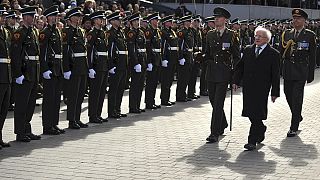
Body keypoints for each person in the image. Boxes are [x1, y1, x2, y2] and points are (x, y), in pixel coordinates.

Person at [233, 26, 280, 151]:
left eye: (260, 36)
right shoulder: (248, 50)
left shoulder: (273, 54)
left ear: (267, 39)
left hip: (262, 88)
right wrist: (235, 81)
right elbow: (240, 67)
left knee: (257, 112)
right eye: (256, 36)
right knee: (249, 112)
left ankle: (251, 141)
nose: (257, 38)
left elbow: (275, 75)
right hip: (248, 87)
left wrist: (275, 92)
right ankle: (261, 128)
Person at [205, 7, 240, 143]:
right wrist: (202, 58)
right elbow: (207, 53)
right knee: (214, 101)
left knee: (218, 103)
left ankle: (214, 132)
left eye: (219, 17)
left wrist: (235, 75)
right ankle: (223, 123)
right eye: (215, 17)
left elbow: (237, 57)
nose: (216, 19)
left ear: (225, 20)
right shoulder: (209, 35)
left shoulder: (232, 35)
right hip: (211, 72)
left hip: (224, 73)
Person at [279, 8, 316, 137]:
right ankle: (297, 115)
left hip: (301, 71)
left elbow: (312, 56)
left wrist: (310, 75)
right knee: (288, 95)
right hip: (288, 70)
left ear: (304, 21)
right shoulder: (286, 34)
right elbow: (280, 53)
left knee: (297, 98)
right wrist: (278, 70)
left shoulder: (309, 35)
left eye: (298, 18)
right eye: (294, 18)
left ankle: (293, 127)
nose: (295, 20)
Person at [11, 6, 41, 142]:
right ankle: (20, 132)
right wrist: (18, 74)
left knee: (30, 104)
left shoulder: (34, 31)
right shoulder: (19, 33)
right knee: (22, 104)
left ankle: (27, 129)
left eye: (35, 16)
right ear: (25, 17)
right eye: (31, 16)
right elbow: (16, 55)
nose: (34, 18)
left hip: (33, 71)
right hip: (24, 72)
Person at [40, 5, 65, 135]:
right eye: (54, 16)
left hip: (57, 68)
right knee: (49, 99)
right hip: (50, 69)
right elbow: (43, 52)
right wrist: (45, 69)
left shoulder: (56, 31)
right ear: (49, 17)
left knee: (56, 99)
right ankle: (47, 126)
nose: (56, 18)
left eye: (57, 16)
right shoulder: (45, 32)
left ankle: (54, 124)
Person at [62, 7, 89, 129]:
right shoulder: (66, 32)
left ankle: (77, 118)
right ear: (71, 18)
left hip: (82, 66)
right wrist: (66, 69)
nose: (79, 19)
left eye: (79, 17)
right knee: (73, 95)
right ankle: (71, 120)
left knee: (80, 95)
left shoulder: (81, 31)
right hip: (74, 67)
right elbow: (65, 51)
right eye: (77, 16)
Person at [87, 10, 109, 123]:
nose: (102, 20)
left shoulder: (103, 33)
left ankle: (98, 114)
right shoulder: (92, 34)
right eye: (101, 19)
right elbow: (89, 51)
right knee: (95, 92)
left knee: (101, 92)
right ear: (95, 21)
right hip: (96, 66)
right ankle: (92, 115)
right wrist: (90, 67)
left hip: (104, 66)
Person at [107, 11, 128, 119]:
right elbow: (110, 51)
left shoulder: (121, 32)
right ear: (112, 21)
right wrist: (111, 65)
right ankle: (111, 111)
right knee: (114, 89)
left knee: (120, 88)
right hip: (116, 65)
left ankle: (117, 109)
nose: (120, 21)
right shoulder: (110, 34)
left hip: (123, 64)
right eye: (117, 20)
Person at [127, 12, 147, 114]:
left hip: (142, 61)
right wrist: (135, 63)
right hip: (137, 62)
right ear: (132, 22)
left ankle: (137, 105)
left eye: (138, 20)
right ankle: (132, 106)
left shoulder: (141, 32)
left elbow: (144, 48)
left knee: (140, 85)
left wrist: (146, 62)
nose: (138, 22)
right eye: (136, 21)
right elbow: (132, 49)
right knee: (135, 85)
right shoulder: (131, 33)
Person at [144, 12, 162, 110]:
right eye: (156, 20)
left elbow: (160, 47)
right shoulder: (149, 32)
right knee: (150, 82)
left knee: (155, 82)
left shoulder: (158, 31)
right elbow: (148, 47)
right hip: (152, 60)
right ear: (151, 21)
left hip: (157, 59)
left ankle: (152, 101)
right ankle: (148, 102)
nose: (157, 22)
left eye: (158, 20)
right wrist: (149, 61)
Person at [160, 15, 178, 106]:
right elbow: (163, 46)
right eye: (169, 21)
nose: (171, 22)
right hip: (168, 58)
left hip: (173, 59)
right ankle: (164, 99)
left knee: (170, 80)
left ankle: (167, 98)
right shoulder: (163, 32)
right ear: (165, 23)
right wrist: (163, 58)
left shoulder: (172, 32)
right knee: (166, 80)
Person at [0, 4, 11, 148]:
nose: (3, 19)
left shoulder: (6, 32)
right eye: (1, 16)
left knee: (3, 109)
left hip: (6, 74)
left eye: (4, 16)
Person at [176, 15, 194, 102]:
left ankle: (184, 94)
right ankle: (180, 95)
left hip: (189, 56)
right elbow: (179, 46)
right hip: (184, 57)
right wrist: (181, 57)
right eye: (189, 21)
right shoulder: (181, 32)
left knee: (187, 77)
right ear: (185, 22)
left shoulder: (190, 32)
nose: (191, 23)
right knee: (182, 78)